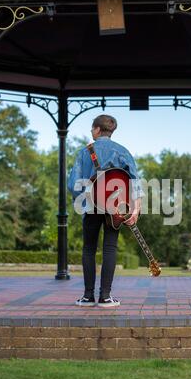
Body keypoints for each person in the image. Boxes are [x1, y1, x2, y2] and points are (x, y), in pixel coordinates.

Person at [67, 114, 144, 307]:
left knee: (89, 249)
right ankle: (105, 297)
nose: (91, 132)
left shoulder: (84, 152)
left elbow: (72, 184)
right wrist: (135, 210)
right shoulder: (123, 151)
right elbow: (135, 181)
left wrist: (83, 199)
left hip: (91, 207)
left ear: (97, 129)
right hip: (114, 208)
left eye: (92, 129)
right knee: (110, 248)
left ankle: (87, 297)